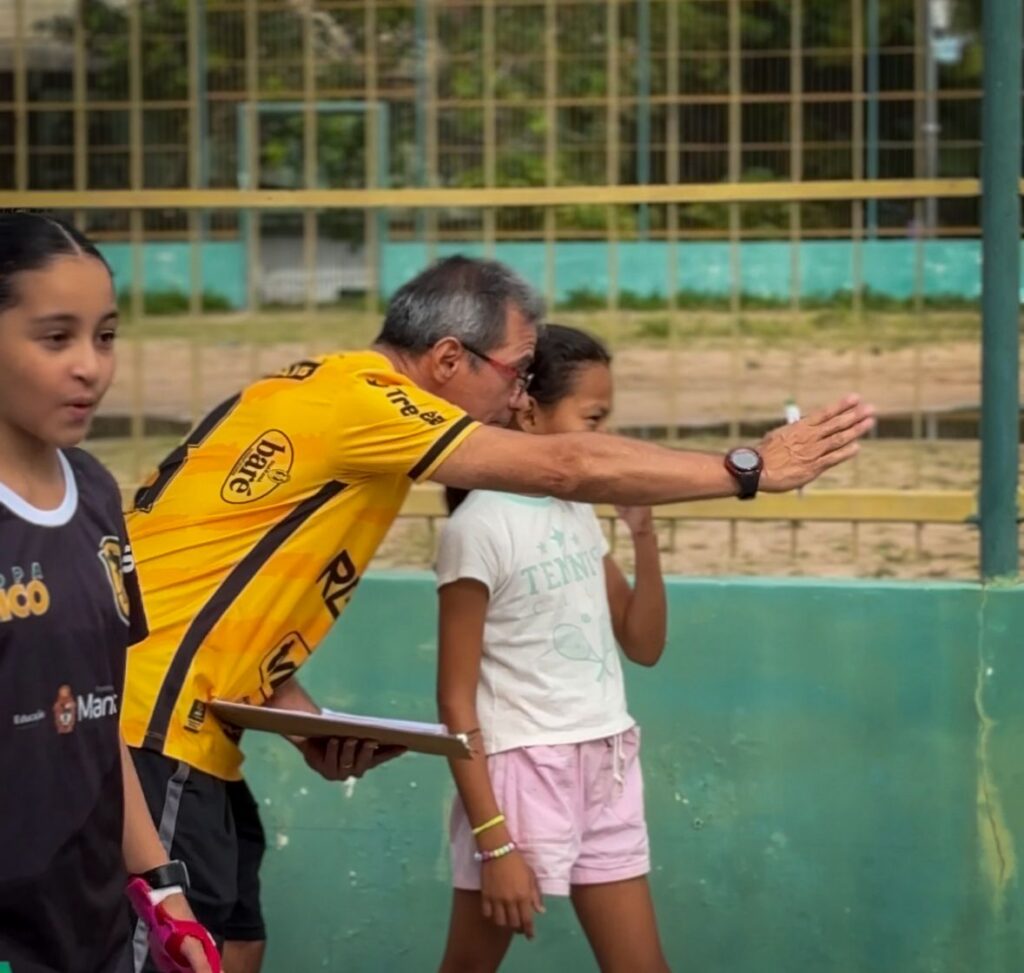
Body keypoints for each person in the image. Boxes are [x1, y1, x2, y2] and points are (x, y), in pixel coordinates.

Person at [120, 255, 875, 972]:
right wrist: (748, 468)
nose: (518, 398)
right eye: (516, 372)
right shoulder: (368, 404)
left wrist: (305, 722)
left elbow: (206, 597)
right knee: (184, 953)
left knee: (235, 947)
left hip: (186, 727)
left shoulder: (308, 396)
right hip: (152, 725)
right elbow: (568, 465)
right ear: (449, 359)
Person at [0, 212, 216, 973]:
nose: (90, 367)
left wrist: (164, 892)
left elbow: (98, 724)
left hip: (93, 933)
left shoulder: (94, 492)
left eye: (106, 336)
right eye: (56, 338)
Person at [435, 325, 670, 971]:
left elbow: (643, 643)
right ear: (529, 411)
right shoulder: (478, 527)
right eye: (593, 419)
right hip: (521, 775)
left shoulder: (576, 509)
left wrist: (644, 535)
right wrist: (494, 842)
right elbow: (454, 702)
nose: (606, 436)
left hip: (607, 762)